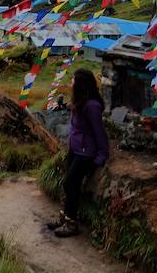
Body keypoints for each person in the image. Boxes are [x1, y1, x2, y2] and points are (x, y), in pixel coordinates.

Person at [47, 68, 110, 237]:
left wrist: (101, 156)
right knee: (68, 184)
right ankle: (64, 217)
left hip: (86, 152)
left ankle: (71, 223)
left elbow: (99, 132)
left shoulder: (92, 106)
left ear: (81, 84)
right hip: (75, 149)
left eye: (73, 80)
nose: (71, 83)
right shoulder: (80, 101)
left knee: (70, 183)